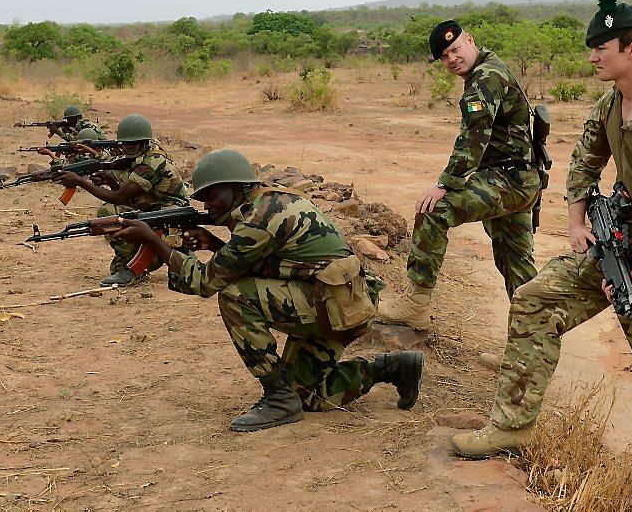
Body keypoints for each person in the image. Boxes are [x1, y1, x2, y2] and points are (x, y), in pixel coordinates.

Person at [450, 0, 632, 512]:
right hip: (614, 242)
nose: (592, 56)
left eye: (600, 46)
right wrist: (576, 222)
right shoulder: (608, 105)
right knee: (535, 300)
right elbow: (583, 164)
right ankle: (512, 424)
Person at [106, 148, 425, 432]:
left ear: (235, 188)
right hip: (340, 300)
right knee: (309, 396)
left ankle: (277, 398)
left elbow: (206, 282)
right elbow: (267, 261)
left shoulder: (258, 219)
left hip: (335, 308)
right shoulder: (270, 199)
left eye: (211, 197)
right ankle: (394, 367)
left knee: (235, 296)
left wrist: (154, 241)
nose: (206, 205)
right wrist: (212, 243)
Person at [377, 19, 541, 330]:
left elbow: (473, 138)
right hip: (519, 180)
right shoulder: (490, 67)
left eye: (455, 49)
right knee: (517, 266)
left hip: (507, 180)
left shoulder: (484, 78)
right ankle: (528, 357)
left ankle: (416, 302)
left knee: (434, 208)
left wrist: (445, 184)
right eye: (445, 57)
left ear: (470, 40)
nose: (453, 59)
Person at [54, 114, 188, 287]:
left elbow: (119, 197)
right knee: (116, 266)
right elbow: (126, 190)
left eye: (133, 143)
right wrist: (108, 179)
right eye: (124, 143)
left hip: (170, 214)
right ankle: (159, 256)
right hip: (155, 205)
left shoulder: (150, 164)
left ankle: (142, 266)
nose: (127, 148)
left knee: (109, 213)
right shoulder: (148, 152)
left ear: (144, 142)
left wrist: (80, 182)